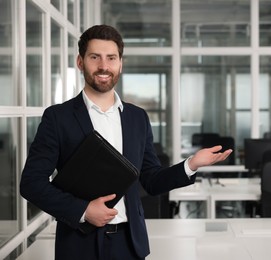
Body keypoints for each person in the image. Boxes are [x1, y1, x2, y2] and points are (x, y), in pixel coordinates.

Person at [20, 24, 232, 260]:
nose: (103, 66)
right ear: (80, 62)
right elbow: (31, 183)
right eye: (94, 57)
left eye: (111, 58)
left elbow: (150, 180)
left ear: (120, 63)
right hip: (79, 245)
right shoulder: (58, 117)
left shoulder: (137, 117)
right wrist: (83, 210)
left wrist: (191, 164)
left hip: (129, 244)